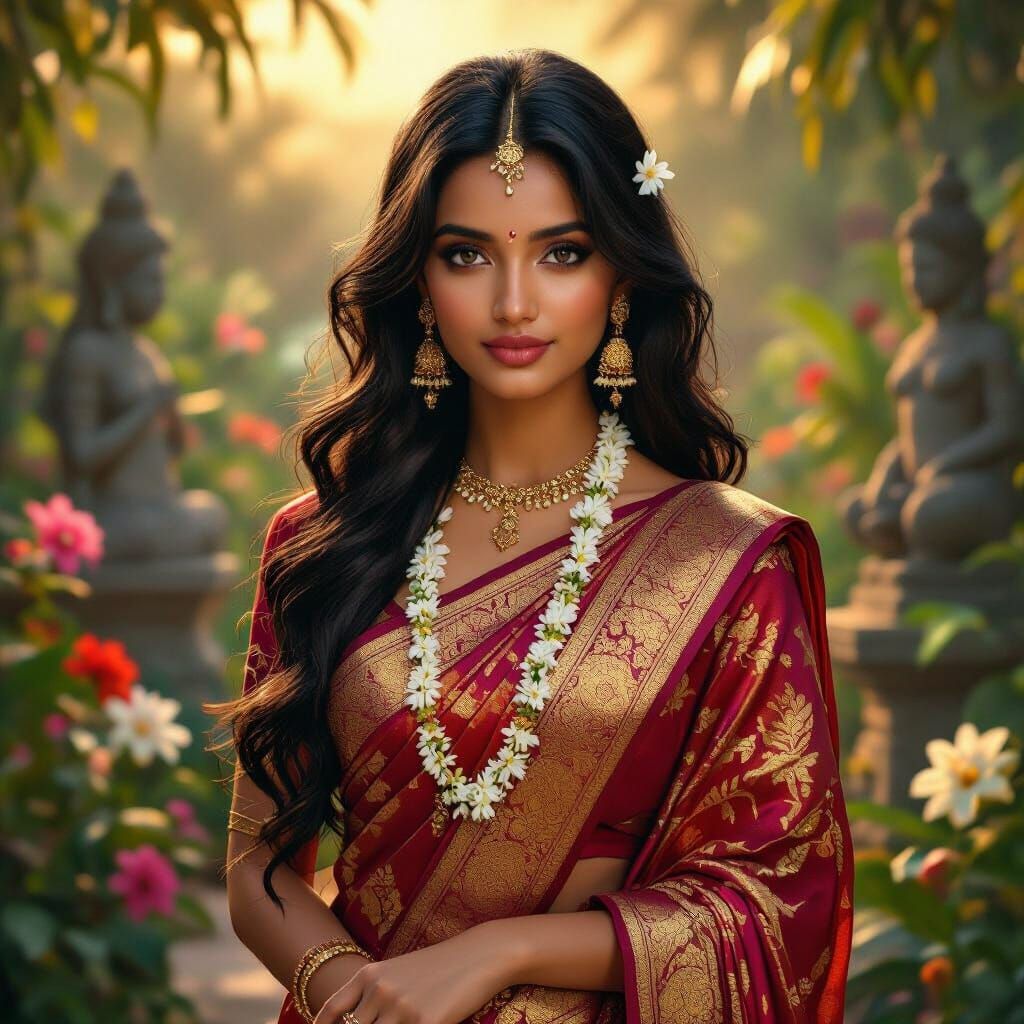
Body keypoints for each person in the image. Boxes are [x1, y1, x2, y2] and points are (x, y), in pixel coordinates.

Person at [208, 48, 852, 1024]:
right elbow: (257, 864)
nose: (514, 302)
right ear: (418, 279)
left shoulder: (723, 565)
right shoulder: (324, 543)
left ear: (621, 273)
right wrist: (363, 998)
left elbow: (776, 900)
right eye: (467, 253)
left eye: (562, 252)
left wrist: (495, 952)